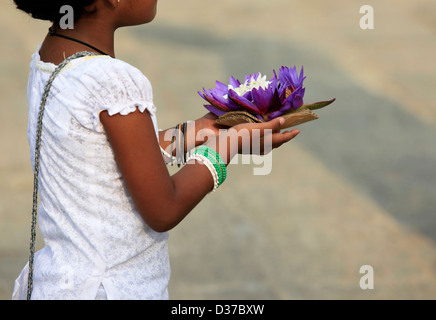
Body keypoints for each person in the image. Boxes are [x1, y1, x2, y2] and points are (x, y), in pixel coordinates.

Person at [11, 0, 300, 300]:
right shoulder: (116, 81)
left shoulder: (53, 55)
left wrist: (199, 131)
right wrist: (229, 145)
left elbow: (101, 155)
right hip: (109, 290)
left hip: (61, 284)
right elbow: (163, 209)